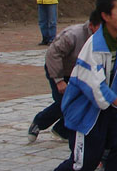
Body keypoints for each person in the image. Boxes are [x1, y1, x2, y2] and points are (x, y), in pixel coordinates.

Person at [50, 0, 117, 171]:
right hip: (86, 108)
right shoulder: (94, 48)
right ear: (106, 16)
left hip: (108, 105)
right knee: (88, 158)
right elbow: (95, 86)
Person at [28, 10, 101, 144]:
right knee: (64, 102)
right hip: (58, 70)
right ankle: (39, 122)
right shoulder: (73, 35)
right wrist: (59, 80)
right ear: (92, 25)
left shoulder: (103, 39)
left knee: (83, 101)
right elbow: (52, 55)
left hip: (77, 73)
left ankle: (61, 130)